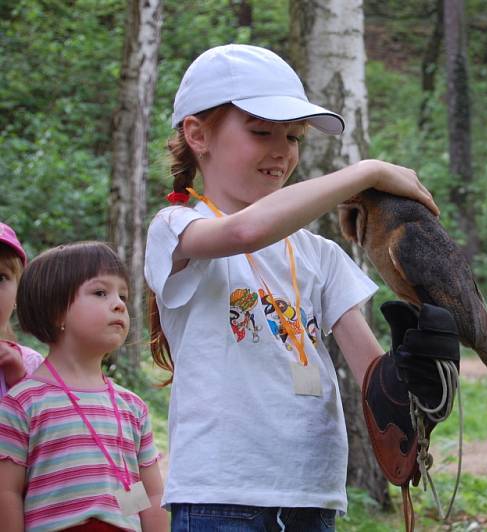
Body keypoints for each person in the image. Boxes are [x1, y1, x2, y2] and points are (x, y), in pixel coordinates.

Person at [145, 44, 459, 531]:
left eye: (293, 137)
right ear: (197, 134)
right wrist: (368, 172)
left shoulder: (318, 254)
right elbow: (243, 233)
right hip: (220, 497)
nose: (282, 151)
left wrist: (407, 385)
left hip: (311, 497)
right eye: (261, 132)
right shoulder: (178, 227)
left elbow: (370, 371)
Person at [0, 241, 169, 532]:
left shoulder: (132, 407)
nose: (118, 303)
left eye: (123, 296)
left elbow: (149, 495)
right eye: (100, 292)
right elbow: (8, 493)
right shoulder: (23, 404)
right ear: (56, 312)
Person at [0, 222, 44, 397]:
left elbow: (48, 422)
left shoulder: (31, 363)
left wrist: (19, 380)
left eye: (0, 278)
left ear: (18, 293)